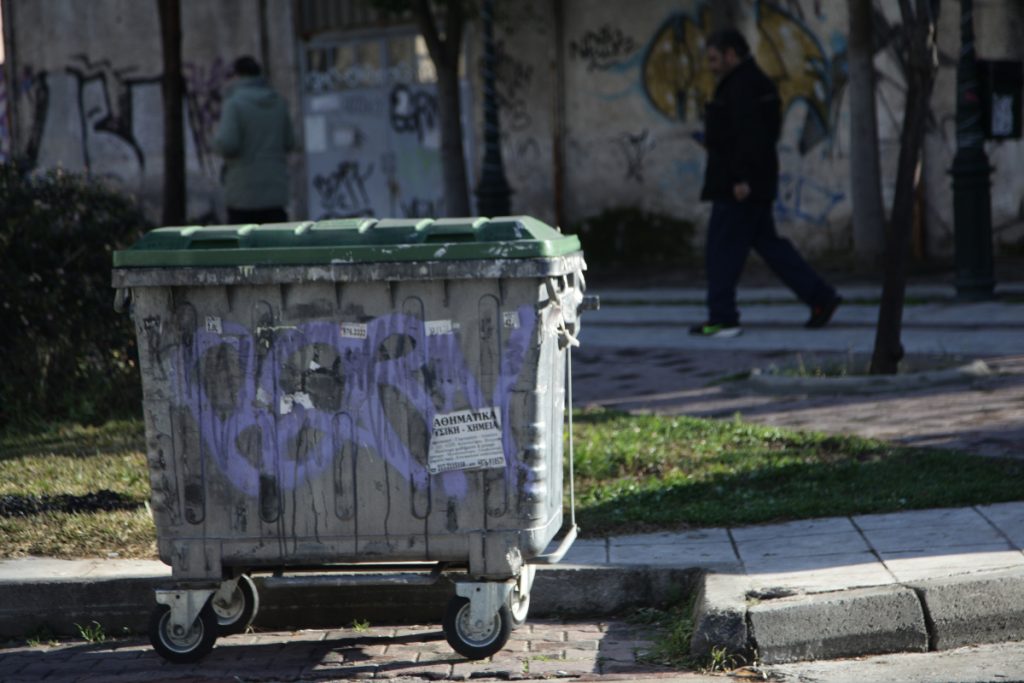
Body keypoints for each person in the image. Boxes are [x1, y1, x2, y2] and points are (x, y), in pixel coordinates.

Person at [690, 29, 841, 338]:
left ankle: (723, 319)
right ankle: (820, 298)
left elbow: (751, 139)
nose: (711, 65)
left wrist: (741, 179)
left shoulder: (743, 86)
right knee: (770, 246)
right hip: (750, 184)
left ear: (732, 54)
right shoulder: (750, 83)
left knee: (721, 252)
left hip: (739, 187)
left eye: (715, 58)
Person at [213, 56, 296, 224]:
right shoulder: (278, 102)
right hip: (275, 191)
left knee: (244, 246)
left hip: (243, 192)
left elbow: (228, 144)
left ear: (236, 76)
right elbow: (290, 142)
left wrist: (214, 143)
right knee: (276, 245)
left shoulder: (234, 103)